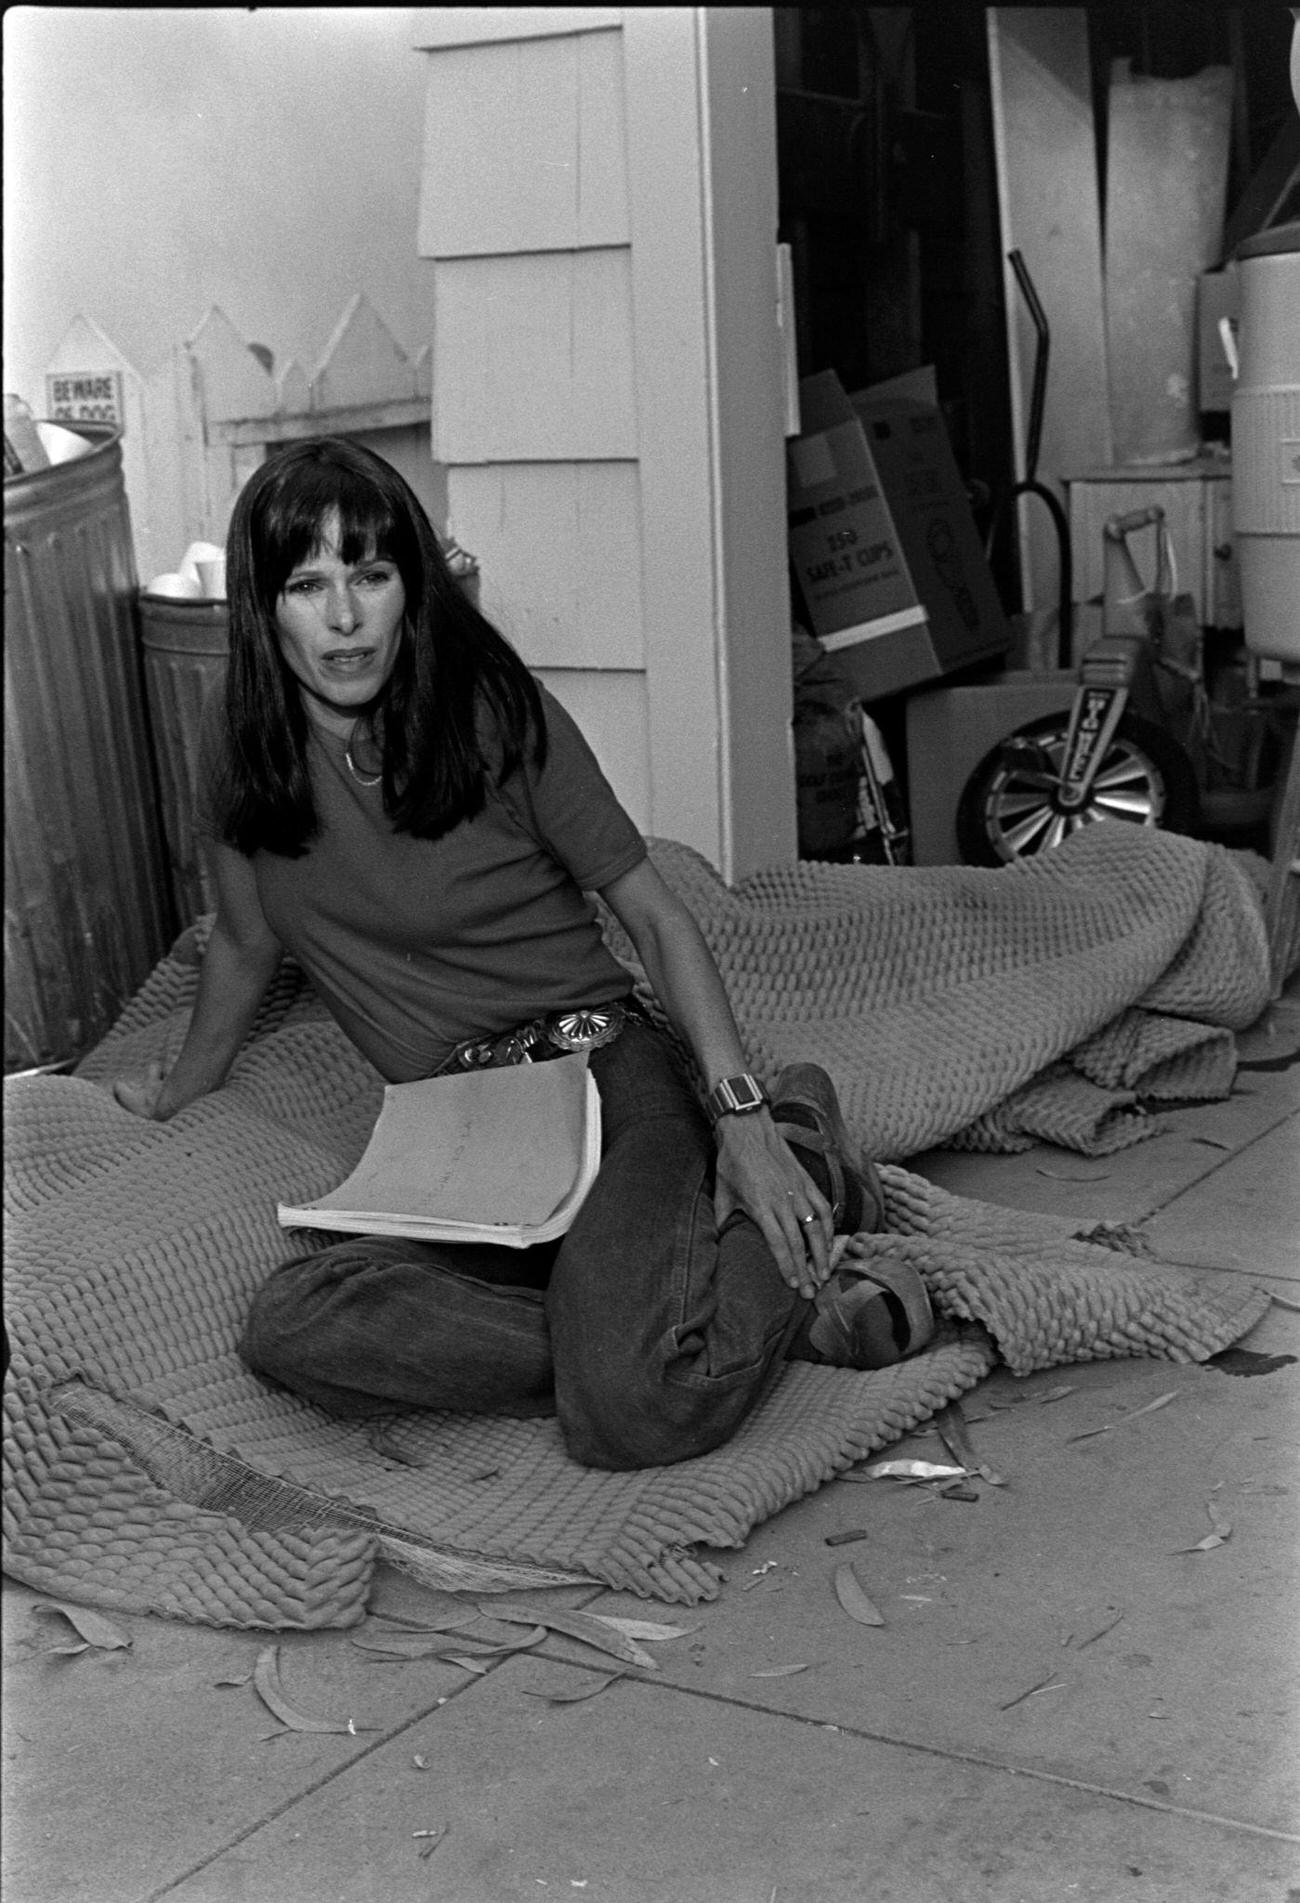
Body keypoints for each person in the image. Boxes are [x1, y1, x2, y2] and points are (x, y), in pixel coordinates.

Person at [114, 437, 929, 1471]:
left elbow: (656, 915)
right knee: (297, 1323)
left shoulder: (493, 710)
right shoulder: (240, 748)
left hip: (602, 1081)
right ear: (262, 606)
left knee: (629, 1417)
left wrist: (743, 1118)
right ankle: (659, 1327)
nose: (345, 617)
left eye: (371, 575)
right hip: (456, 1143)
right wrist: (176, 1094)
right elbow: (241, 942)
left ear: (411, 586)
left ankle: (795, 1151)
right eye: (307, 585)